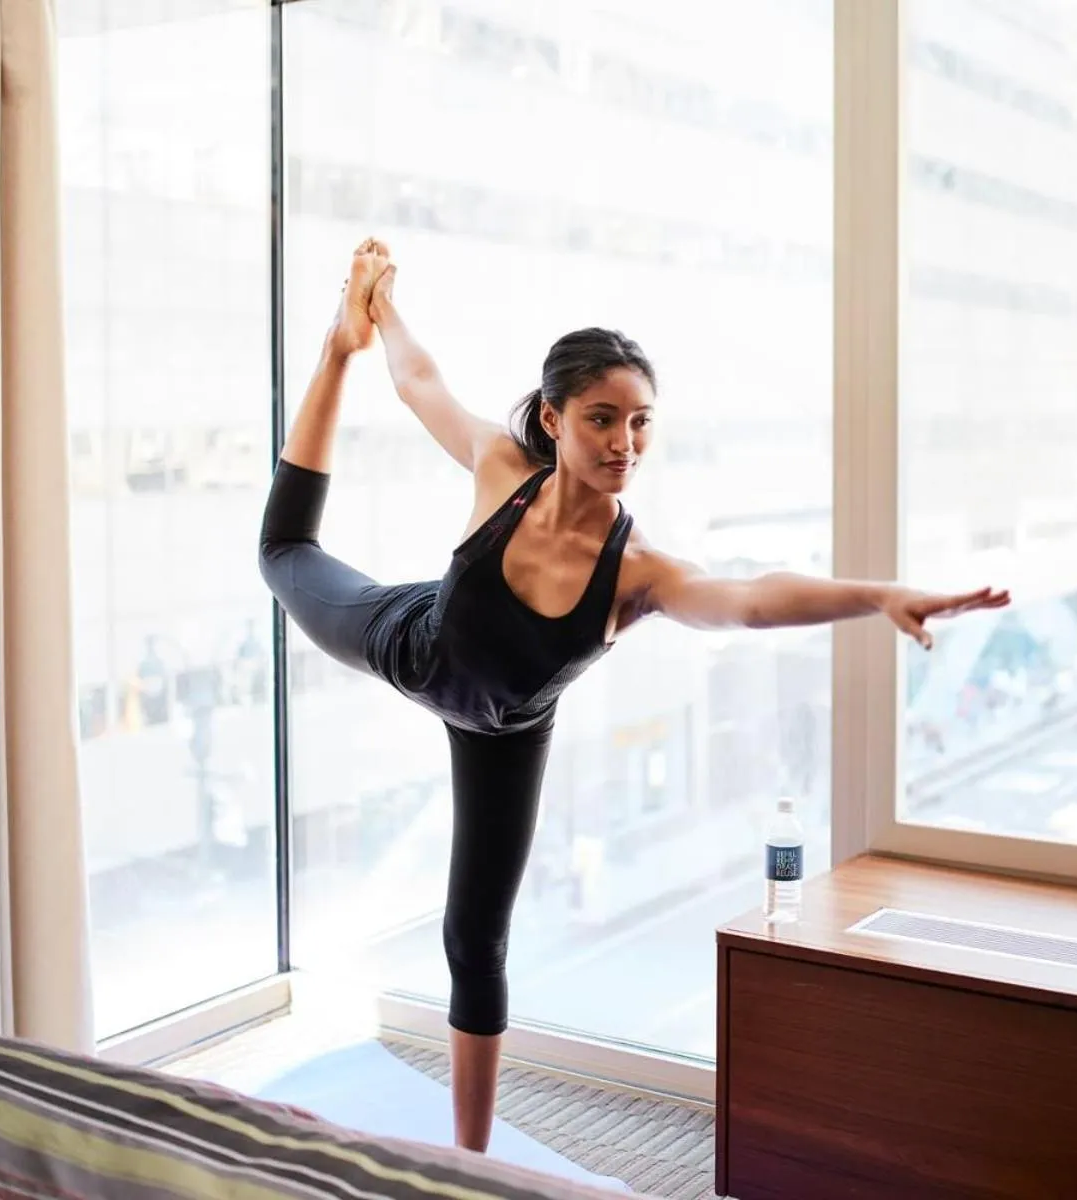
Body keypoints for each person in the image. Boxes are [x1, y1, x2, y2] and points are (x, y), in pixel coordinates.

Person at [259, 238, 1010, 1151]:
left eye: (641, 422)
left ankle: (474, 1163)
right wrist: (371, 322)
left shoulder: (638, 573)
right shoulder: (502, 467)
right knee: (283, 555)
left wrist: (877, 596)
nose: (625, 444)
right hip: (414, 644)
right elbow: (419, 381)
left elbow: (747, 600)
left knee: (475, 937)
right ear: (555, 418)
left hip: (507, 728)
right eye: (602, 419)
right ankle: (330, 354)